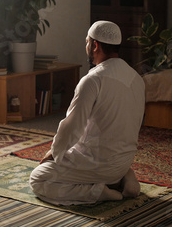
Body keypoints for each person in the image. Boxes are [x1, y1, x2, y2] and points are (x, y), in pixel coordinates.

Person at [29, 20, 145, 205]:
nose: (86, 46)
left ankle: (96, 192)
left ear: (95, 45)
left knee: (39, 178)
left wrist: (53, 153)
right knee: (99, 156)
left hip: (98, 163)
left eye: (87, 42)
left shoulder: (92, 80)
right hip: (124, 160)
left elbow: (73, 125)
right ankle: (123, 178)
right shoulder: (137, 78)